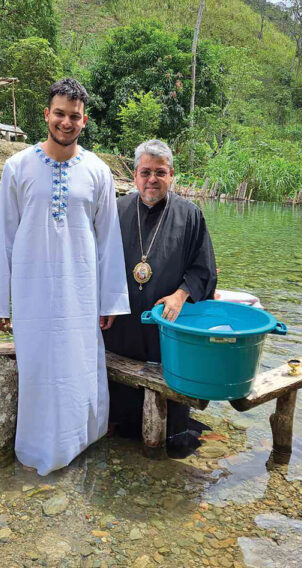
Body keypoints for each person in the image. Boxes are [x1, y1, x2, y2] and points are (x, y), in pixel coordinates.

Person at [0, 78, 130, 475]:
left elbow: (108, 240)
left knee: (79, 367)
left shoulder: (98, 170)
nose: (66, 122)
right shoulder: (18, 166)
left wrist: (111, 300)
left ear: (85, 120)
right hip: (32, 295)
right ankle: (37, 451)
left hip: (81, 295)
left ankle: (82, 442)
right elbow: (3, 235)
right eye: (59, 113)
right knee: (39, 369)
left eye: (74, 116)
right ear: (46, 114)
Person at [102, 139, 217, 451]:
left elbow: (203, 269)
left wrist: (180, 295)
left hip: (165, 328)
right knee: (115, 418)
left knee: (171, 432)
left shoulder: (190, 215)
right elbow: (98, 262)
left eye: (160, 172)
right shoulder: (116, 209)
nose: (152, 179)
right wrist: (102, 302)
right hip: (121, 325)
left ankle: (168, 440)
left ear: (172, 174)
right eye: (145, 172)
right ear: (135, 175)